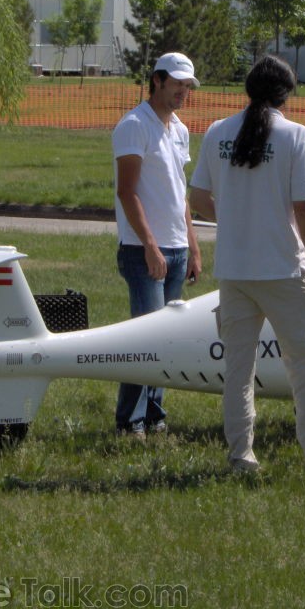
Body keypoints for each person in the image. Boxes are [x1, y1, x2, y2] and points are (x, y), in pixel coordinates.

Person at [189, 55, 305, 477]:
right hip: (284, 270)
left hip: (235, 271)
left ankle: (241, 458)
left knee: (238, 371)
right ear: (285, 94)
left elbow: (199, 198)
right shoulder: (296, 136)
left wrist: (237, 219)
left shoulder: (218, 131)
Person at [110, 52, 203, 441]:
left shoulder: (178, 128)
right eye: (177, 83)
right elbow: (127, 192)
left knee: (166, 339)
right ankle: (130, 420)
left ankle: (155, 414)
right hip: (143, 250)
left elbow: (180, 194)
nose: (184, 91)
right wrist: (149, 245)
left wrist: (193, 247)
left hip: (177, 249)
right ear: (157, 80)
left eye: (188, 85)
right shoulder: (134, 125)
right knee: (145, 339)